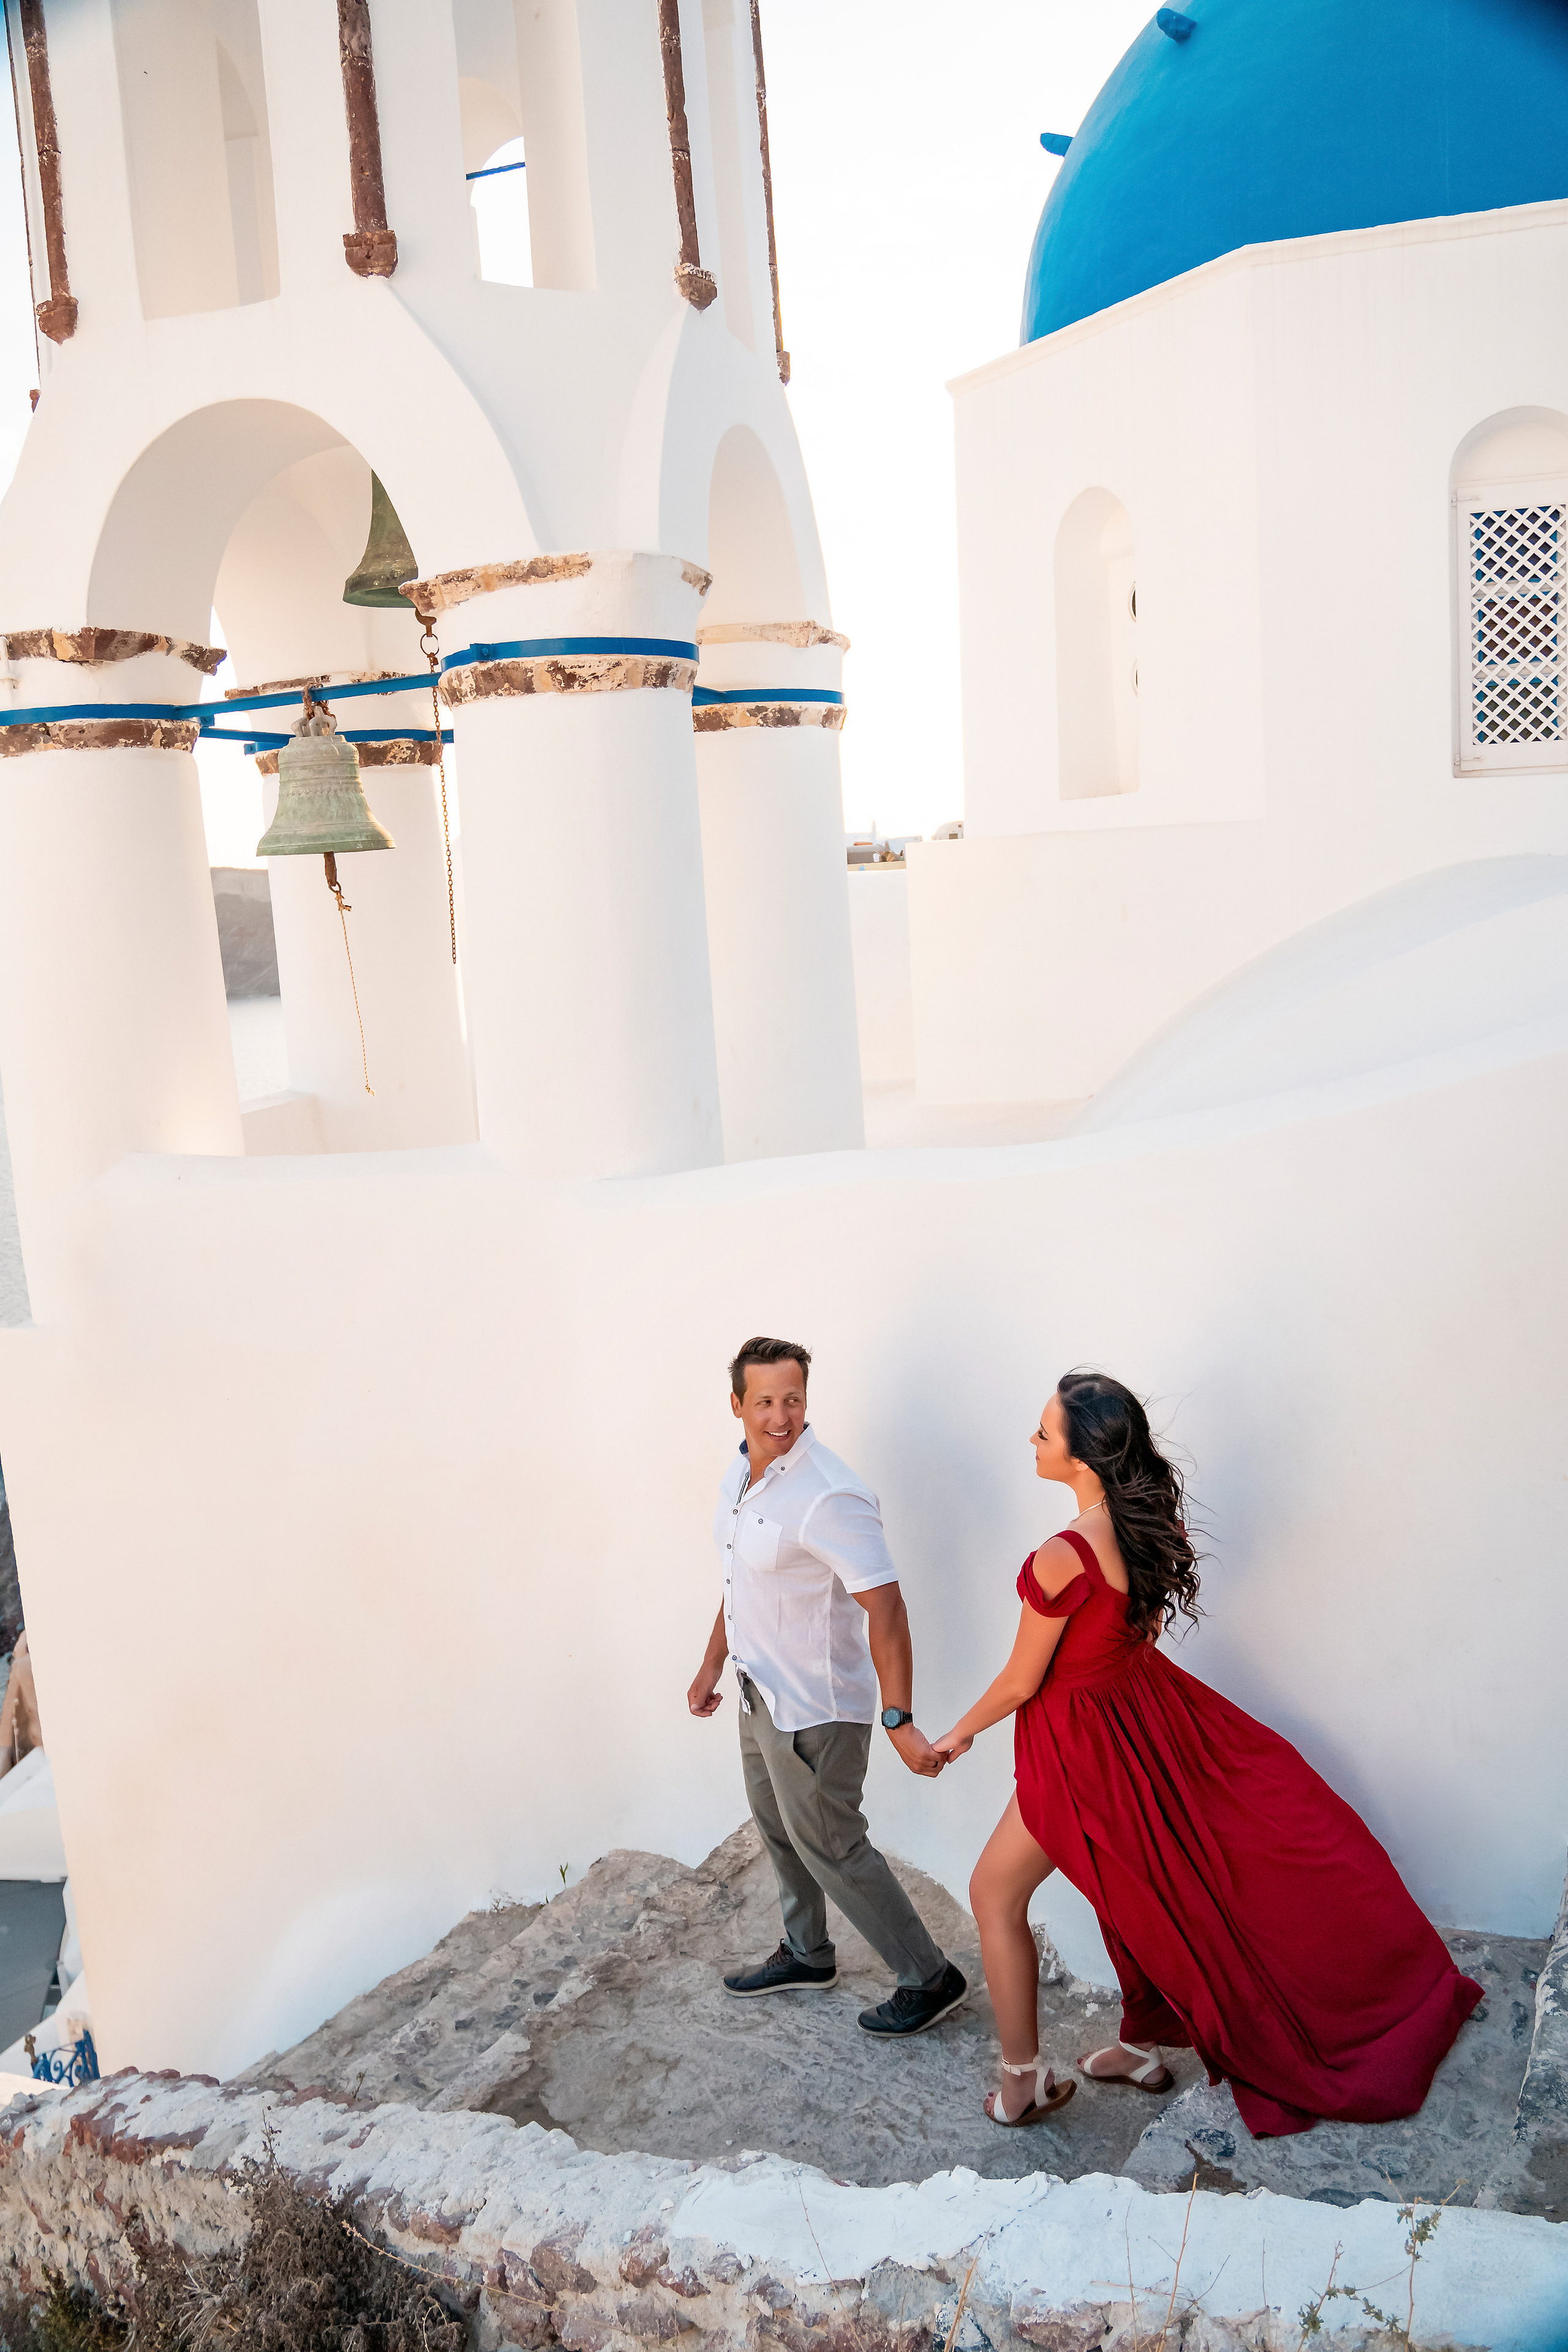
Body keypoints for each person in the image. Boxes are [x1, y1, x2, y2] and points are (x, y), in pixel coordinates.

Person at [932, 1370, 1483, 2133]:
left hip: (1083, 1747)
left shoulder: (1061, 1556)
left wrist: (954, 1735)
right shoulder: (1150, 1523)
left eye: (1042, 1433)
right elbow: (1141, 1632)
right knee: (1149, 1888)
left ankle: (1020, 2084)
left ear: (1082, 1459)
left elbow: (1023, 1680)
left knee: (998, 1894)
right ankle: (1136, 2046)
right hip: (1148, 1719)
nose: (1030, 1442)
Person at [688, 1336, 967, 2038]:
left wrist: (900, 1718)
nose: (780, 1416)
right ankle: (808, 1955)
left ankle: (930, 1977)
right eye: (764, 1402)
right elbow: (737, 1581)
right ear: (736, 1405)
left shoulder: (829, 1494)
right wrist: (711, 1662)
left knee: (833, 1845)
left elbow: (888, 1609)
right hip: (759, 1695)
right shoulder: (741, 1477)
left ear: (805, 1400)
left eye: (793, 1400)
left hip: (816, 1708)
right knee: (779, 1832)